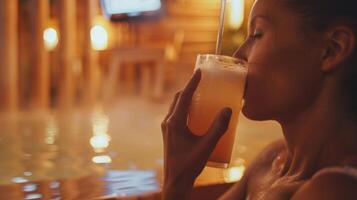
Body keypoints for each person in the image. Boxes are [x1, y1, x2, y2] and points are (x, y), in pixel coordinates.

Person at [161, 0, 357, 199]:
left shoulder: (335, 188)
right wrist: (180, 176)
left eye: (257, 34)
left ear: (332, 49)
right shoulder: (270, 163)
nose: (239, 54)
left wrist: (176, 182)